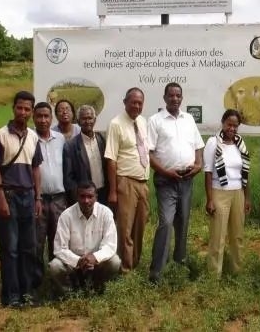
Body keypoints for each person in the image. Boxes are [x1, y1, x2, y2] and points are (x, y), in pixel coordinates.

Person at [0, 91, 43, 307]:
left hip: (28, 196)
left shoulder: (33, 137)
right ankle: (10, 296)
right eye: (19, 108)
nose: (23, 112)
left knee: (28, 247)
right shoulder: (1, 135)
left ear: (31, 112)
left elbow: (36, 169)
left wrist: (38, 197)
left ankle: (26, 293)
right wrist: (1, 197)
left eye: (27, 109)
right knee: (9, 248)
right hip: (8, 195)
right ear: (13, 108)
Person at [148, 83, 204, 284]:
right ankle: (156, 272)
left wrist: (198, 165)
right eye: (171, 95)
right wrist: (165, 172)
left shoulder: (188, 119)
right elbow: (149, 154)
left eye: (178, 95)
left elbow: (198, 146)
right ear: (164, 98)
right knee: (166, 223)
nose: (174, 99)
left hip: (187, 180)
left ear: (182, 98)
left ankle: (180, 263)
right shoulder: (155, 120)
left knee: (183, 222)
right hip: (166, 181)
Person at [105, 88, 150, 272]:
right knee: (125, 228)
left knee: (140, 226)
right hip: (126, 182)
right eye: (133, 102)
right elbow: (111, 159)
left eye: (140, 103)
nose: (137, 106)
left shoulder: (142, 121)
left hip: (143, 183)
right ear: (125, 102)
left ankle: (135, 264)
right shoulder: (116, 124)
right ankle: (124, 269)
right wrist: (113, 191)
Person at [49, 182, 121, 296]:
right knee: (55, 266)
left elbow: (110, 245)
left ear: (96, 197)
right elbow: (60, 249)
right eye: (82, 196)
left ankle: (99, 289)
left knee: (115, 262)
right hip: (73, 263)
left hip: (97, 263)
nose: (86, 201)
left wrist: (95, 257)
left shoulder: (105, 213)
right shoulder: (66, 215)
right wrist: (78, 260)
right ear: (77, 197)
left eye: (90, 196)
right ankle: (69, 294)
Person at [204, 109, 251, 277]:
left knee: (237, 235)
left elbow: (245, 173)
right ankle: (214, 275)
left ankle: (237, 271)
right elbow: (208, 172)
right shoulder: (213, 143)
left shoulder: (240, 144)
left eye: (235, 125)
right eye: (229, 124)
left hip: (238, 192)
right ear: (223, 123)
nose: (232, 128)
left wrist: (247, 198)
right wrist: (210, 200)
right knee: (218, 236)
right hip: (219, 192)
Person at [32, 102, 66, 289]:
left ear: (52, 118)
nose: (43, 120)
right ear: (33, 118)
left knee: (58, 240)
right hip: (38, 199)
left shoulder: (60, 139)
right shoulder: (29, 138)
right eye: (39, 116)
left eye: (46, 116)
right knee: (37, 241)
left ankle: (56, 282)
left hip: (59, 198)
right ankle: (37, 283)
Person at [63, 105, 108, 205]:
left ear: (94, 120)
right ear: (78, 122)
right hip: (84, 198)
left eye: (90, 118)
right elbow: (68, 178)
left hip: (103, 194)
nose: (87, 121)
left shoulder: (103, 140)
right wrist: (79, 198)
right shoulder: (70, 146)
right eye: (83, 119)